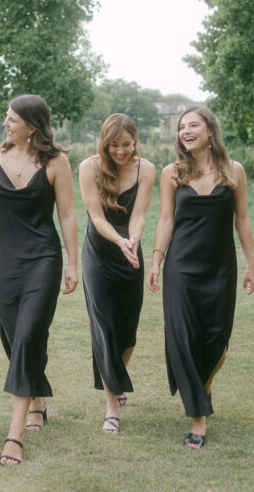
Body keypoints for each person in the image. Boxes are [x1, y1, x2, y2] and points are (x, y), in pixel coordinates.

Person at [0, 94, 78, 466]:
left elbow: (66, 215)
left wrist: (73, 263)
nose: (5, 124)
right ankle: (38, 398)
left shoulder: (56, 161)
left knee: (29, 334)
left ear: (33, 125)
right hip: (4, 261)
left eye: (12, 119)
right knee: (16, 338)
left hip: (43, 260)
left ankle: (13, 436)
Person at [146, 106, 254, 449]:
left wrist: (251, 264)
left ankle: (202, 384)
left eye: (193, 125)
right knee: (182, 336)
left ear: (211, 130)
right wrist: (156, 261)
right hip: (180, 266)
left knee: (217, 339)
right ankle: (198, 419)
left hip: (220, 267)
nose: (185, 131)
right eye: (181, 127)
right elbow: (166, 220)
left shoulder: (233, 170)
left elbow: (241, 219)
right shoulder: (171, 173)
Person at [78, 114, 154, 436]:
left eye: (126, 144)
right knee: (105, 327)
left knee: (127, 330)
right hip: (99, 253)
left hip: (130, 254)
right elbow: (96, 215)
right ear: (104, 142)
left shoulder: (146, 169)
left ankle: (116, 376)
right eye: (114, 145)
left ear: (135, 140)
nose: (120, 151)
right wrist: (119, 239)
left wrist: (133, 240)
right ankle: (112, 407)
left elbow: (139, 214)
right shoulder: (89, 167)